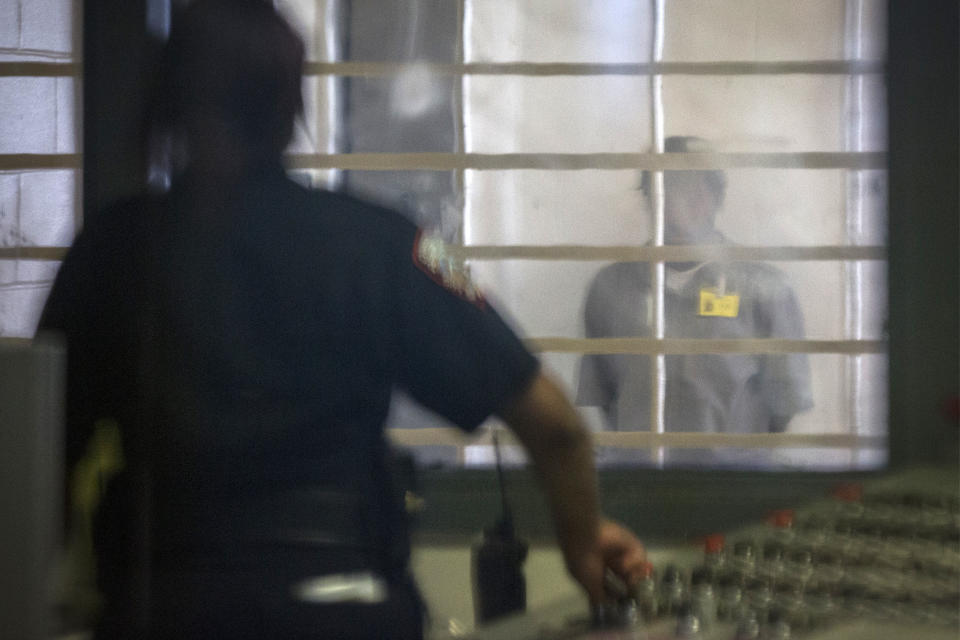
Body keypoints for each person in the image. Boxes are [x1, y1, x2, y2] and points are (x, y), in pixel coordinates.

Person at [38, 1, 645, 638]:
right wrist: (582, 541)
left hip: (165, 610)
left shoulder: (109, 252)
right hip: (345, 606)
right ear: (288, 104)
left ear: (166, 95)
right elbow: (555, 427)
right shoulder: (381, 244)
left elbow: (35, 464)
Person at [577, 136, 814, 467]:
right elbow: (603, 394)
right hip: (638, 482)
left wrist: (736, 456)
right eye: (666, 194)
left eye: (694, 194)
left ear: (716, 199)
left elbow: (784, 403)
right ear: (648, 200)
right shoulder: (610, 288)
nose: (678, 212)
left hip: (732, 484)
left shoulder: (765, 288)